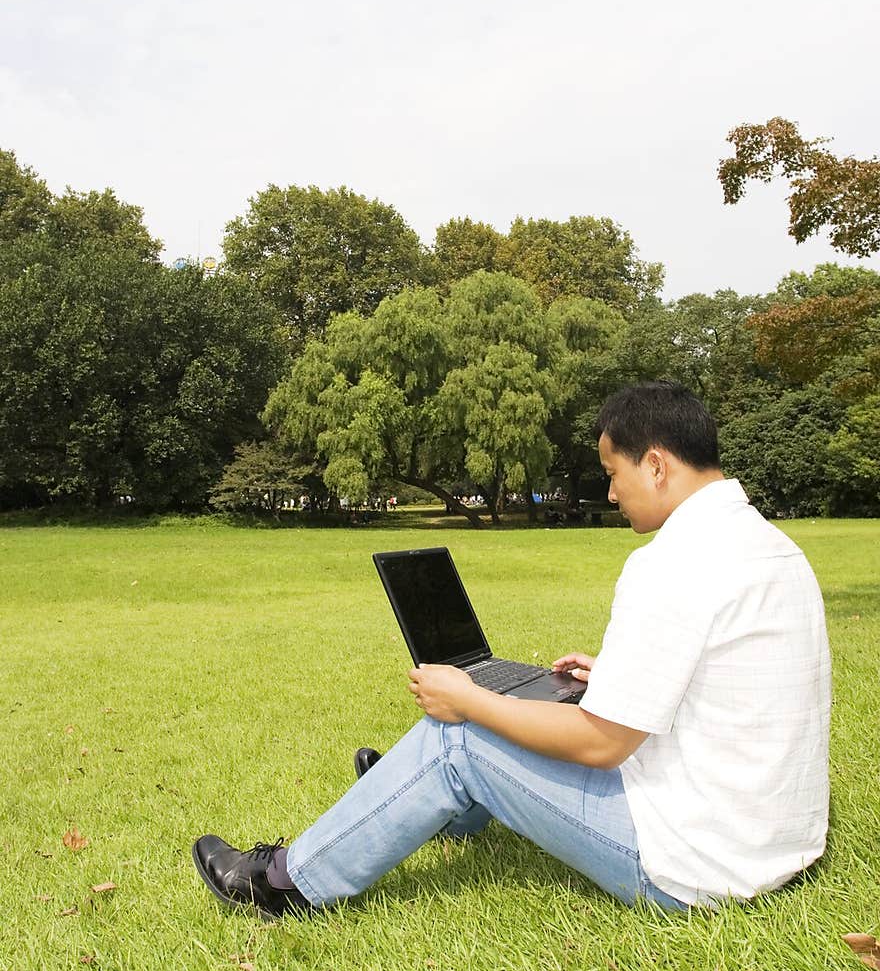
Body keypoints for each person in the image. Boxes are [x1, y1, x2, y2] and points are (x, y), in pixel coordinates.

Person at [192, 381, 832, 919]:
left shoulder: (672, 562)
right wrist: (615, 677)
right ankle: (421, 802)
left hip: (696, 868)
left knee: (458, 737)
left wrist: (468, 700)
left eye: (613, 474)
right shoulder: (773, 548)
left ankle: (282, 884)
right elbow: (737, 682)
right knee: (498, 720)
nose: (611, 494)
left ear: (656, 464)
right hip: (775, 846)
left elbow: (601, 743)